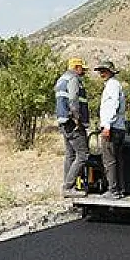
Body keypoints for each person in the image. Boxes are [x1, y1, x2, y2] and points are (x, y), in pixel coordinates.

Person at [55, 57, 90, 198]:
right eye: (82, 68)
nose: (84, 71)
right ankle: (68, 186)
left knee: (70, 155)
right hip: (72, 123)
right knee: (83, 154)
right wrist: (78, 120)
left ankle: (67, 186)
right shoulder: (73, 80)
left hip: (63, 123)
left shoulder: (61, 80)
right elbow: (73, 100)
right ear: (76, 67)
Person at [95, 60, 127, 199]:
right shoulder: (114, 85)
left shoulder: (112, 85)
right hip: (118, 127)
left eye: (104, 70)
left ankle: (113, 190)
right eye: (101, 71)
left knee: (109, 160)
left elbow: (113, 105)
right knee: (117, 159)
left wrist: (107, 126)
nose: (102, 73)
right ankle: (119, 188)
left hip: (112, 127)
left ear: (111, 71)